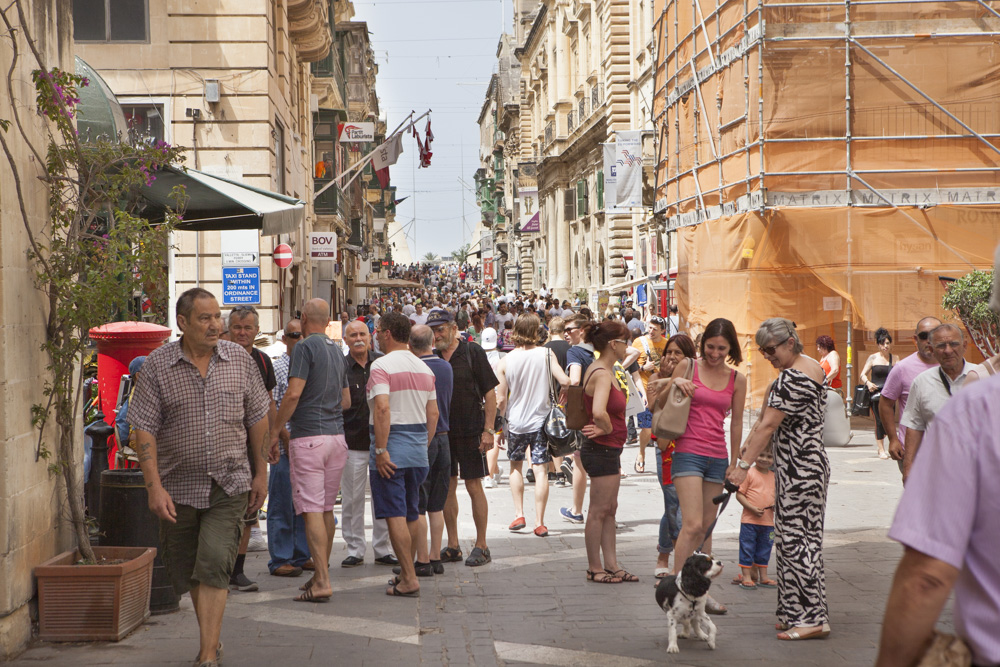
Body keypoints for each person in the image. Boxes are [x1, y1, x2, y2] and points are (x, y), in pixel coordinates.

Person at [129, 288, 270, 666]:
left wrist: (262, 474)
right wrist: (153, 486)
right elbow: (143, 428)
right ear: (183, 323)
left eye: (216, 317)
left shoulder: (240, 360)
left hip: (230, 481)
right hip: (177, 487)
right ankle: (211, 639)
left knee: (213, 563)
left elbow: (257, 417)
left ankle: (208, 653)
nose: (214, 325)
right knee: (190, 567)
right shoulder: (158, 365)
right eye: (205, 318)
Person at [876, 373, 1000, 667]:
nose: (947, 350)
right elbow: (908, 419)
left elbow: (927, 575)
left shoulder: (980, 406)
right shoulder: (923, 381)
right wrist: (907, 461)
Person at [727, 317, 830, 641]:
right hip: (805, 467)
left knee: (798, 543)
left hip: (800, 468)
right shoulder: (810, 366)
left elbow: (768, 425)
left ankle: (811, 618)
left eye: (771, 349)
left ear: (789, 342)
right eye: (762, 351)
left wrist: (742, 467)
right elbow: (763, 424)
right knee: (790, 541)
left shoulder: (792, 378)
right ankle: (791, 612)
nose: (767, 355)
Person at [269, 299, 351, 602]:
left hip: (309, 438)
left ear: (304, 319)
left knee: (312, 510)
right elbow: (346, 402)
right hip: (336, 438)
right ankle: (320, 574)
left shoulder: (304, 348)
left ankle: (322, 581)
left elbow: (292, 394)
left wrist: (275, 431)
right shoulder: (336, 351)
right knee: (327, 509)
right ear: (328, 320)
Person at [669, 318, 747, 616]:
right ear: (702, 345)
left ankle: (701, 595)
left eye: (722, 348)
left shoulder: (736, 378)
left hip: (717, 456)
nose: (715, 353)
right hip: (688, 451)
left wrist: (735, 463)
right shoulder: (688, 366)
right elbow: (660, 398)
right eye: (710, 347)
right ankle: (678, 590)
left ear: (731, 348)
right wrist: (675, 381)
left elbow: (737, 421)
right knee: (691, 525)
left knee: (706, 530)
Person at [367, 312, 438, 597]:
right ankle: (406, 573)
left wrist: (382, 450)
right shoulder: (424, 368)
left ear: (386, 333)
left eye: (377, 330)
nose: (375, 335)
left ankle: (408, 577)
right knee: (411, 512)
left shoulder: (381, 366)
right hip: (418, 449)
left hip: (391, 449)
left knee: (394, 513)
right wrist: (423, 442)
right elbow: (432, 413)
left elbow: (382, 408)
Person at [430, 308, 499, 568]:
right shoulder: (430, 356)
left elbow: (490, 394)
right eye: (433, 331)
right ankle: (453, 544)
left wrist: (489, 430)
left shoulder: (472, 352)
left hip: (471, 431)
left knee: (473, 486)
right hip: (442, 433)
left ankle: (482, 545)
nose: (437, 335)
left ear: (452, 328)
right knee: (447, 488)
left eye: (440, 330)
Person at [495, 314, 570, 537]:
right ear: (537, 331)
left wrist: (498, 428)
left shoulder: (505, 361)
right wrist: (563, 392)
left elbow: (501, 400)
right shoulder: (546, 354)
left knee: (516, 467)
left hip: (516, 422)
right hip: (541, 422)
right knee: (540, 471)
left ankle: (519, 514)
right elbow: (565, 381)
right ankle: (540, 522)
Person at [578, 320, 635, 584]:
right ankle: (595, 567)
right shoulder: (601, 373)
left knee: (610, 508)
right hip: (600, 449)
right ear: (614, 344)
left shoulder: (606, 369)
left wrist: (608, 429)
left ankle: (611, 564)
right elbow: (599, 411)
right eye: (626, 341)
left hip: (609, 448)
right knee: (599, 510)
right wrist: (607, 427)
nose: (628, 346)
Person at [339, 321, 398, 568]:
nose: (358, 338)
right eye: (353, 335)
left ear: (370, 336)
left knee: (382, 497)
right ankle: (355, 548)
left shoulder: (383, 363)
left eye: (362, 333)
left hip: (381, 443)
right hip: (352, 443)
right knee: (352, 499)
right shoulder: (340, 367)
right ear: (345, 339)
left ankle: (383, 548)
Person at [227, 305, 278, 591]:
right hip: (224, 443)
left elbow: (269, 402)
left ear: (257, 331)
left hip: (252, 445)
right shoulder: (216, 358)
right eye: (237, 327)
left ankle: (237, 570)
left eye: (248, 328)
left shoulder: (262, 360)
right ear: (229, 329)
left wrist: (273, 438)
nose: (242, 333)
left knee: (250, 507)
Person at [645, 333, 695, 577]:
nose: (672, 357)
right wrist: (667, 380)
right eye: (670, 352)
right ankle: (672, 556)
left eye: (678, 353)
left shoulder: (696, 377)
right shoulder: (655, 377)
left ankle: (669, 554)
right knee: (673, 503)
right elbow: (653, 409)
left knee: (681, 507)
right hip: (666, 446)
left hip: (691, 444)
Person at [899, 323, 972, 481]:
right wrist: (908, 467)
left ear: (964, 345)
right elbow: (914, 426)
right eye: (941, 346)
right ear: (931, 350)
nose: (948, 350)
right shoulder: (922, 382)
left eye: (954, 344)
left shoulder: (983, 377)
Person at [409, 324, 454, 576]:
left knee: (419, 504)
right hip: (444, 437)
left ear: (410, 344)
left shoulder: (417, 368)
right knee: (437, 504)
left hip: (424, 437)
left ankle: (422, 559)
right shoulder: (446, 366)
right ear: (432, 342)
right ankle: (436, 557)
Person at [267, 320, 311, 577]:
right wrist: (282, 435)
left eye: (303, 334)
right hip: (285, 447)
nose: (300, 339)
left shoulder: (308, 365)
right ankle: (281, 557)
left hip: (306, 444)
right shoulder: (279, 367)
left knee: (303, 503)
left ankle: (301, 554)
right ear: (285, 338)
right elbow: (272, 405)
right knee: (282, 502)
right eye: (295, 335)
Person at [878, 316, 942, 475]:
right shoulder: (902, 368)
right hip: (913, 451)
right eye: (924, 336)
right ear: (916, 339)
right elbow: (885, 404)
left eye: (935, 335)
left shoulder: (954, 366)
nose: (929, 340)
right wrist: (893, 439)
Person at [560, 314, 596, 524]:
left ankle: (576, 510)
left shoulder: (575, 352)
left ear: (582, 330)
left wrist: (564, 385)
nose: (566, 334)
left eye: (570, 329)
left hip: (583, 414)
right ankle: (608, 510)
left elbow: (574, 379)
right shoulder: (599, 350)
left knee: (579, 461)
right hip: (604, 411)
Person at [734, 448, 776, 590]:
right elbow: (739, 494)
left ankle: (763, 576)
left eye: (769, 456)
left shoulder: (774, 476)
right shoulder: (749, 473)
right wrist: (751, 508)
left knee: (765, 549)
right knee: (747, 548)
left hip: (768, 522)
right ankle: (746, 576)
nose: (764, 459)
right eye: (761, 454)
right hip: (749, 521)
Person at [631, 316, 669, 474]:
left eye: (655, 328)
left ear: (662, 330)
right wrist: (643, 368)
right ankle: (641, 453)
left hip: (663, 390)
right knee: (646, 428)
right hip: (645, 390)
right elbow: (631, 368)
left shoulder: (667, 344)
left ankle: (664, 458)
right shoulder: (638, 342)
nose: (651, 331)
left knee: (663, 427)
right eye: (649, 327)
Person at [858, 327, 897, 459]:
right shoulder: (873, 358)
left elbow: (900, 375)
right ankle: (881, 449)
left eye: (887, 343)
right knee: (878, 421)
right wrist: (868, 383)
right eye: (882, 344)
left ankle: (893, 445)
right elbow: (862, 374)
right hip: (875, 395)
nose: (885, 346)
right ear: (878, 345)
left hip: (890, 395)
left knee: (889, 421)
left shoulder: (895, 358)